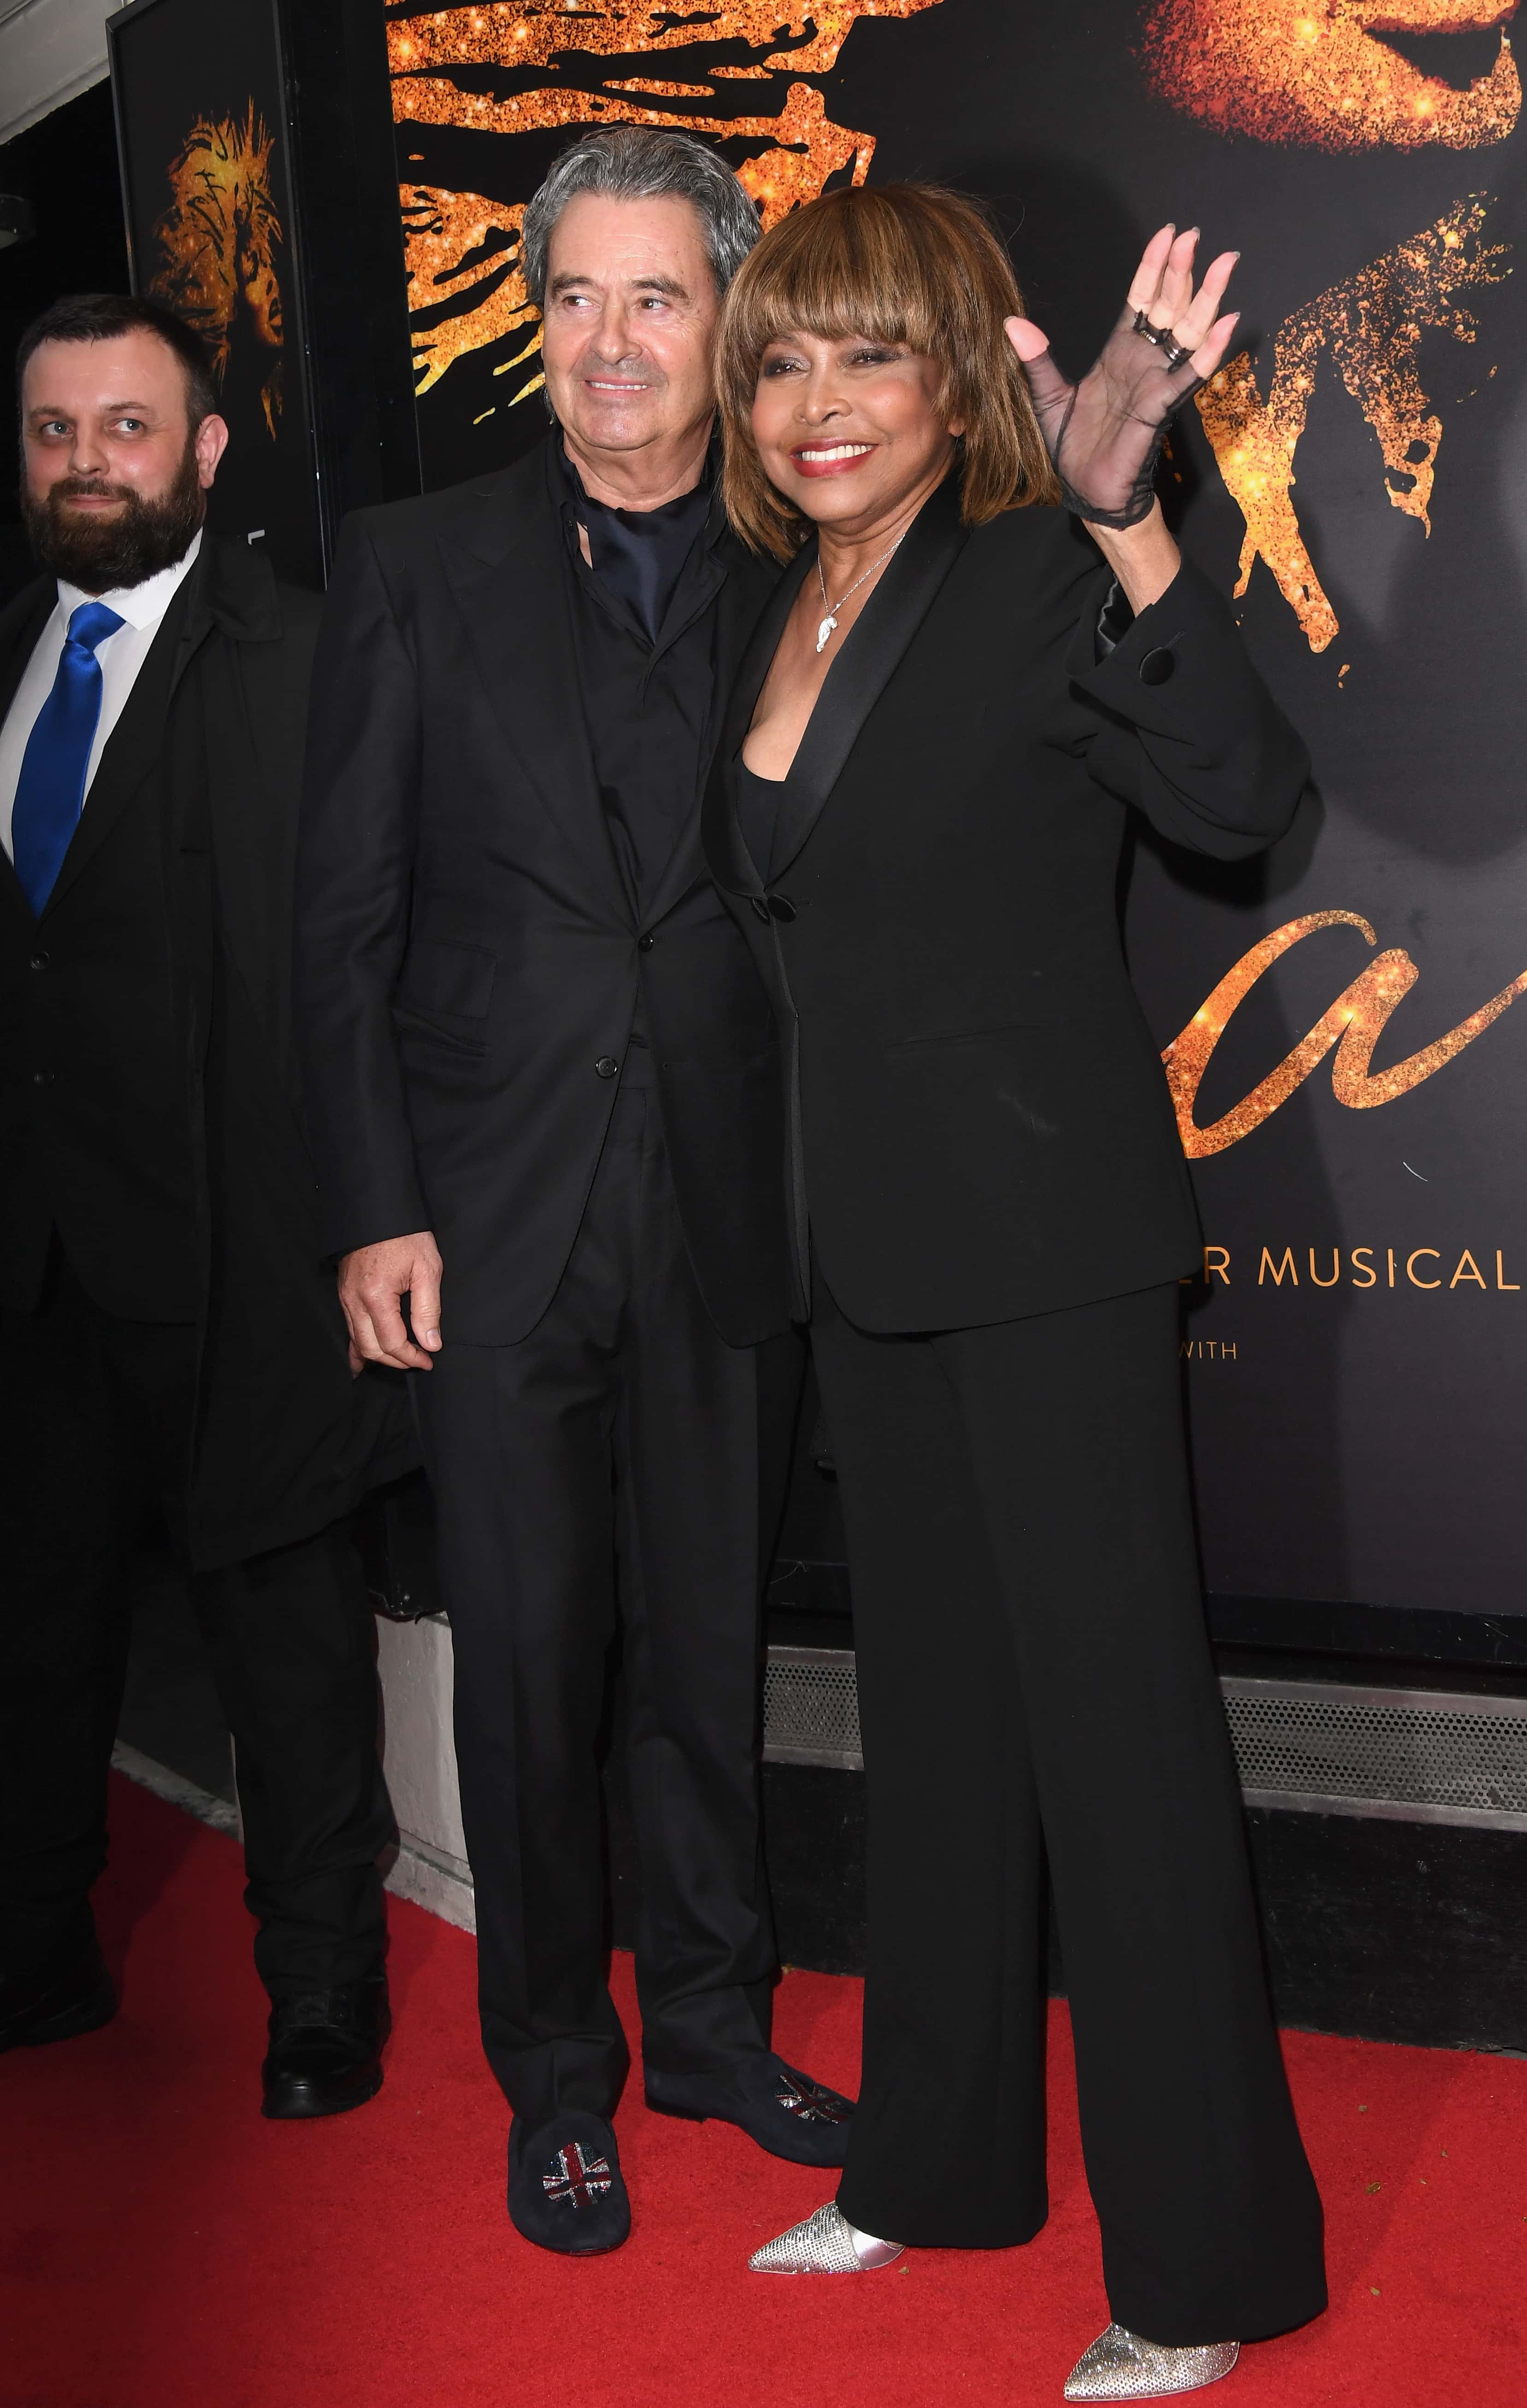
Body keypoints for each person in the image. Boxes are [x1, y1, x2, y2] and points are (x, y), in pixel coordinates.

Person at [702, 187, 1327, 2399]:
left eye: (867, 354)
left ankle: (1208, 2259)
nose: (815, 404)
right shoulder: (776, 604)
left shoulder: (1034, 562)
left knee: (1120, 1745)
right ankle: (930, 2164)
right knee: (938, 1733)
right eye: (779, 358)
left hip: (1048, 1251)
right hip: (864, 1258)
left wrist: (1131, 520)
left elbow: (1245, 798)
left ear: (961, 364)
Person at [295, 127, 851, 2258]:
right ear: (534, 326)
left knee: (706, 1648)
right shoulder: (415, 566)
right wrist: (370, 1206)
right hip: (489, 1219)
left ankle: (713, 2022)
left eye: (656, 298)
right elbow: (338, 920)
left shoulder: (810, 564)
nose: (612, 345)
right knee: (528, 1665)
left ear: (728, 319)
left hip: (725, 1211)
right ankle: (556, 2072)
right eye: (574, 301)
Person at [0, 294, 415, 2116]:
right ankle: (35, 1952)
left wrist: (368, 1221)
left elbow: (370, 970)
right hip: (30, 1269)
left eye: (126, 426)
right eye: (52, 429)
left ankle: (322, 1989)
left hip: (247, 1250)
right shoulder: (6, 642)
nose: (87, 460)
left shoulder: (308, 658)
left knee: (285, 1645)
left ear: (209, 450)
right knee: (32, 1628)